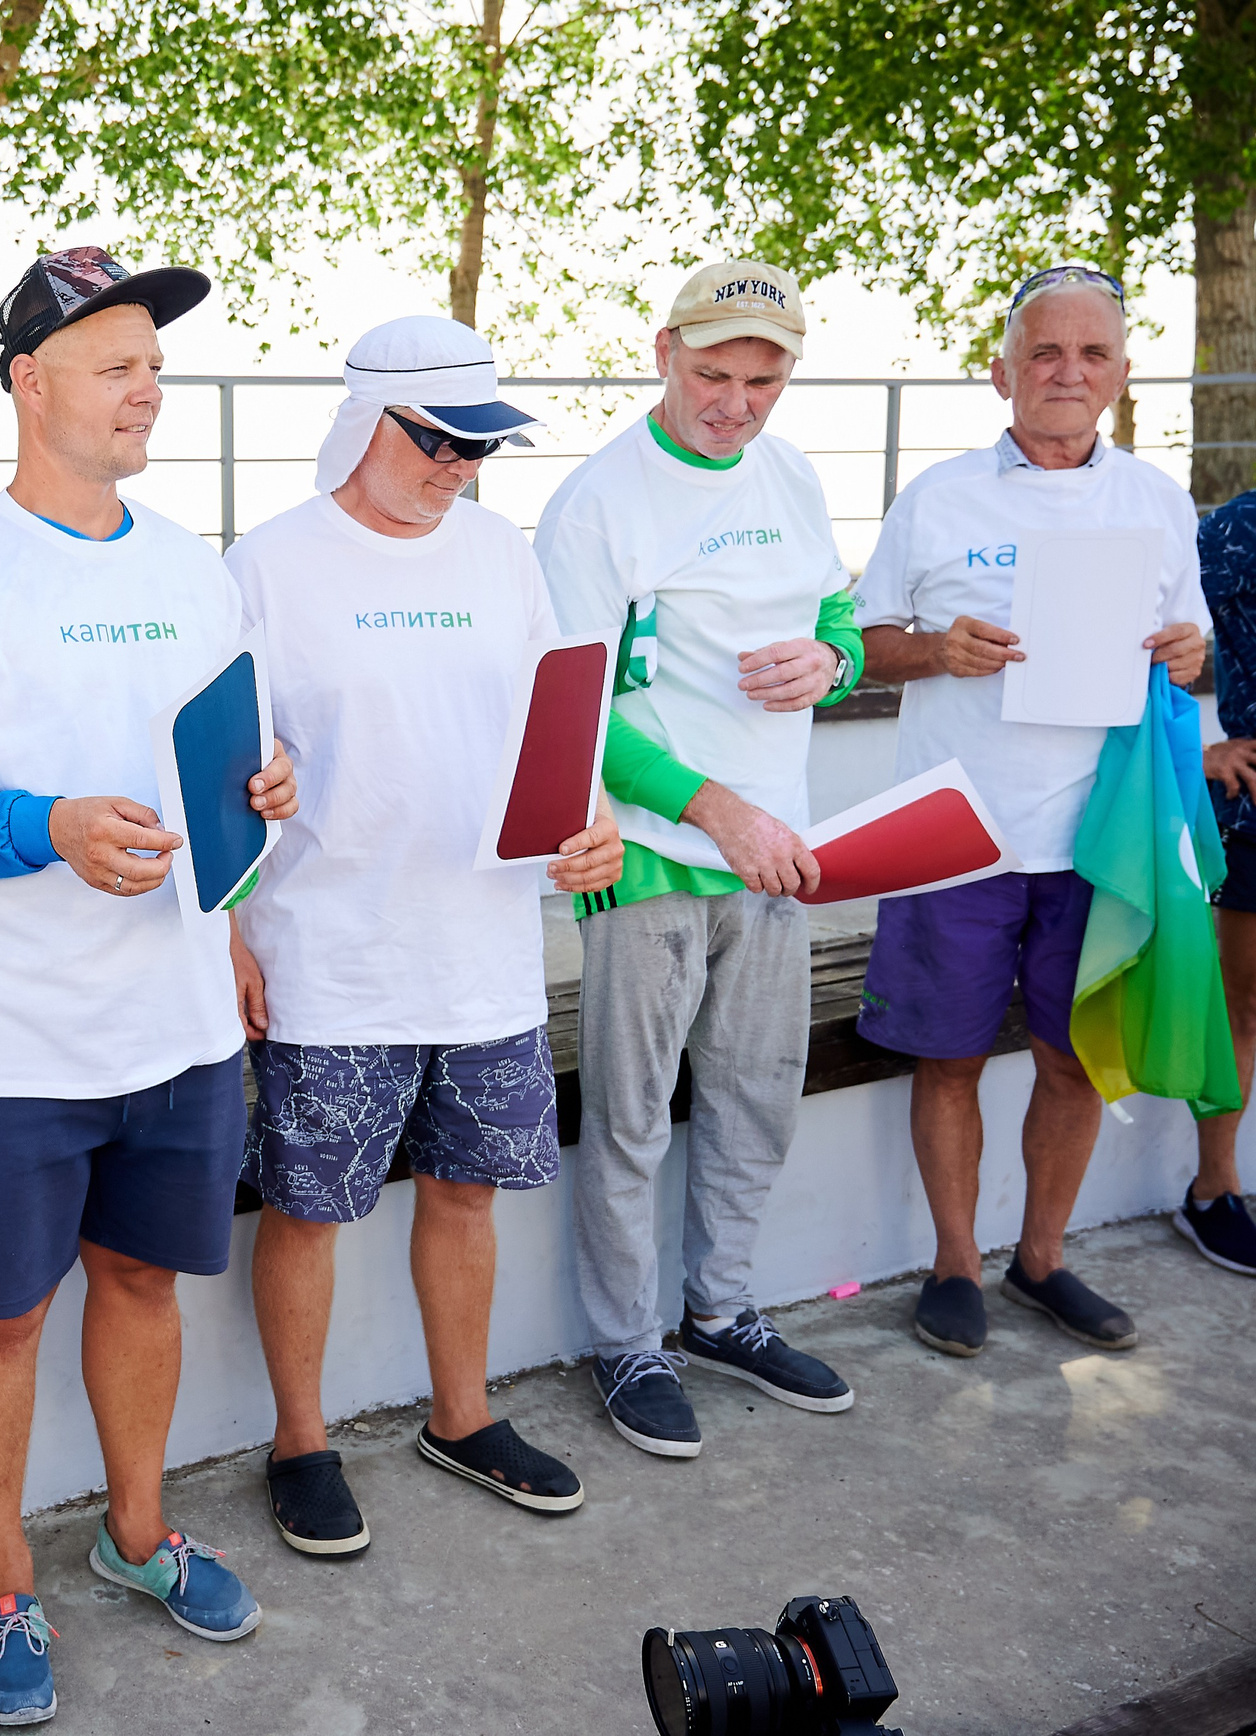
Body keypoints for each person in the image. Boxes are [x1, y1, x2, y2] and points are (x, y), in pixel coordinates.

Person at [0, 245, 297, 1727]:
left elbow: (236, 756)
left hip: (180, 1024)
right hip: (13, 1041)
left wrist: (266, 793)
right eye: (118, 367)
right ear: (29, 384)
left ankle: (135, 1531)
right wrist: (47, 826)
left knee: (143, 1281)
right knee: (0, 1317)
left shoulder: (193, 566)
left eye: (155, 368)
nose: (148, 391)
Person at [228, 315, 624, 1551]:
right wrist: (229, 928)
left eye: (479, 446)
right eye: (438, 439)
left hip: (484, 947)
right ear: (362, 421)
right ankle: (300, 1440)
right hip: (328, 951)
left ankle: (463, 1417)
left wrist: (597, 819)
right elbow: (221, 756)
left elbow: (561, 722)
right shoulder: (267, 563)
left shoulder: (502, 554)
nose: (458, 466)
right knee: (309, 1208)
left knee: (465, 1191)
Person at [535, 259, 864, 1462]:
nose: (733, 404)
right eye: (711, 373)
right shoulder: (595, 503)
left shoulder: (793, 473)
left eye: (761, 383)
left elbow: (834, 614)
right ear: (662, 352)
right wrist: (714, 810)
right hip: (652, 855)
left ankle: (721, 1314)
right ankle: (629, 1343)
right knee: (631, 1119)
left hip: (772, 851)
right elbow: (574, 708)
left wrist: (832, 664)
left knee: (754, 1100)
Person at [859, 264, 1212, 1352]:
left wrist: (1188, 653)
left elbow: (1189, 649)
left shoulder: (1155, 500)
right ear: (1001, 370)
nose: (1067, 371)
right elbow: (865, 646)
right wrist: (937, 650)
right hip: (956, 832)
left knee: (1072, 1059)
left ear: (1120, 373)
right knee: (949, 1058)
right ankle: (955, 1264)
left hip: (1101, 840)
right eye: (1044, 352)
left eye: (1092, 352)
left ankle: (1042, 1260)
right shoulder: (938, 496)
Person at [1193, 482, 1256, 1274]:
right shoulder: (1239, 528)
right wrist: (1197, 753)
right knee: (1241, 1005)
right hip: (1253, 806)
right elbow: (1142, 636)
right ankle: (1213, 1190)